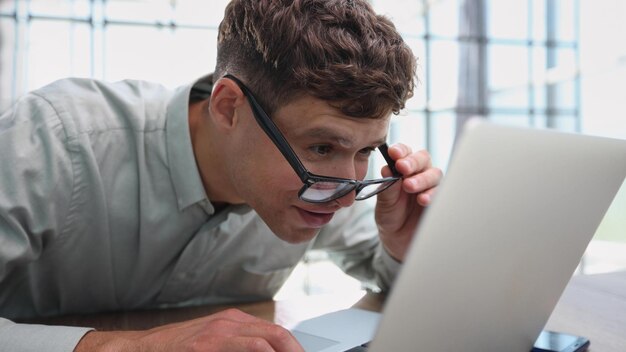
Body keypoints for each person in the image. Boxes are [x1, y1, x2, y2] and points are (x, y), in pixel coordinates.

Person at [0, 0, 442, 350]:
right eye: (321, 147)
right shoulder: (57, 139)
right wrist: (129, 348)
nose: (345, 196)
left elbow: (382, 273)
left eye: (365, 150)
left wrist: (403, 248)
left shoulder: (330, 184)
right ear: (228, 107)